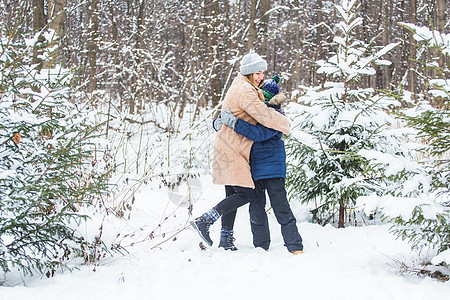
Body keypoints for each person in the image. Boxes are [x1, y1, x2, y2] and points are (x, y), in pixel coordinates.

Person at [191, 53, 290, 249]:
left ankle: (226, 239)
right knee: (246, 193)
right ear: (248, 72)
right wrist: (284, 123)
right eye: (257, 73)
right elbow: (263, 114)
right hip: (233, 148)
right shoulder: (245, 90)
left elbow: (227, 112)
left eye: (262, 73)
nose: (260, 77)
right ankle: (205, 220)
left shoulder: (239, 85)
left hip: (228, 145)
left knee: (231, 193)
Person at [219, 75, 303, 254]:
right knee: (256, 209)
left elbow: (258, 134)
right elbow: (233, 121)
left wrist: (234, 123)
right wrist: (220, 122)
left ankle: (294, 245)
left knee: (281, 207)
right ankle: (261, 246)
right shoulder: (254, 113)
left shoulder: (274, 116)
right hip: (254, 168)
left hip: (272, 170)